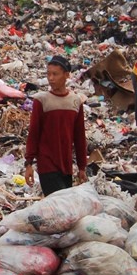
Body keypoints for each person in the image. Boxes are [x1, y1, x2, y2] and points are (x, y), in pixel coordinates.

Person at [24, 55, 89, 196]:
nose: (51, 78)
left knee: (62, 208)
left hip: (66, 166)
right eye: (48, 74)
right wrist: (29, 163)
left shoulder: (75, 101)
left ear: (66, 75)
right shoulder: (41, 100)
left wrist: (82, 167)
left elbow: (79, 137)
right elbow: (34, 133)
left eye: (55, 74)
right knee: (60, 202)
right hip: (47, 164)